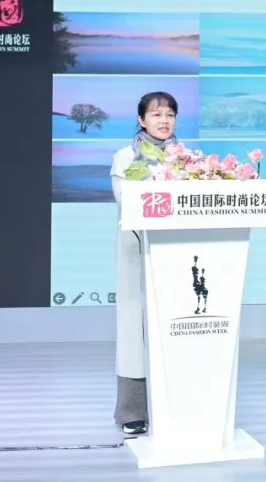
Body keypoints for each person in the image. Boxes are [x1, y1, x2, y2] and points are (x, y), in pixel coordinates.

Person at [109, 91, 180, 436]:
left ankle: (178, 405)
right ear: (141, 120)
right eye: (156, 114)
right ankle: (133, 411)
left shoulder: (186, 158)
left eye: (170, 115)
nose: (164, 121)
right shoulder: (125, 157)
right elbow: (127, 201)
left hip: (176, 256)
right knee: (133, 329)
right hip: (137, 253)